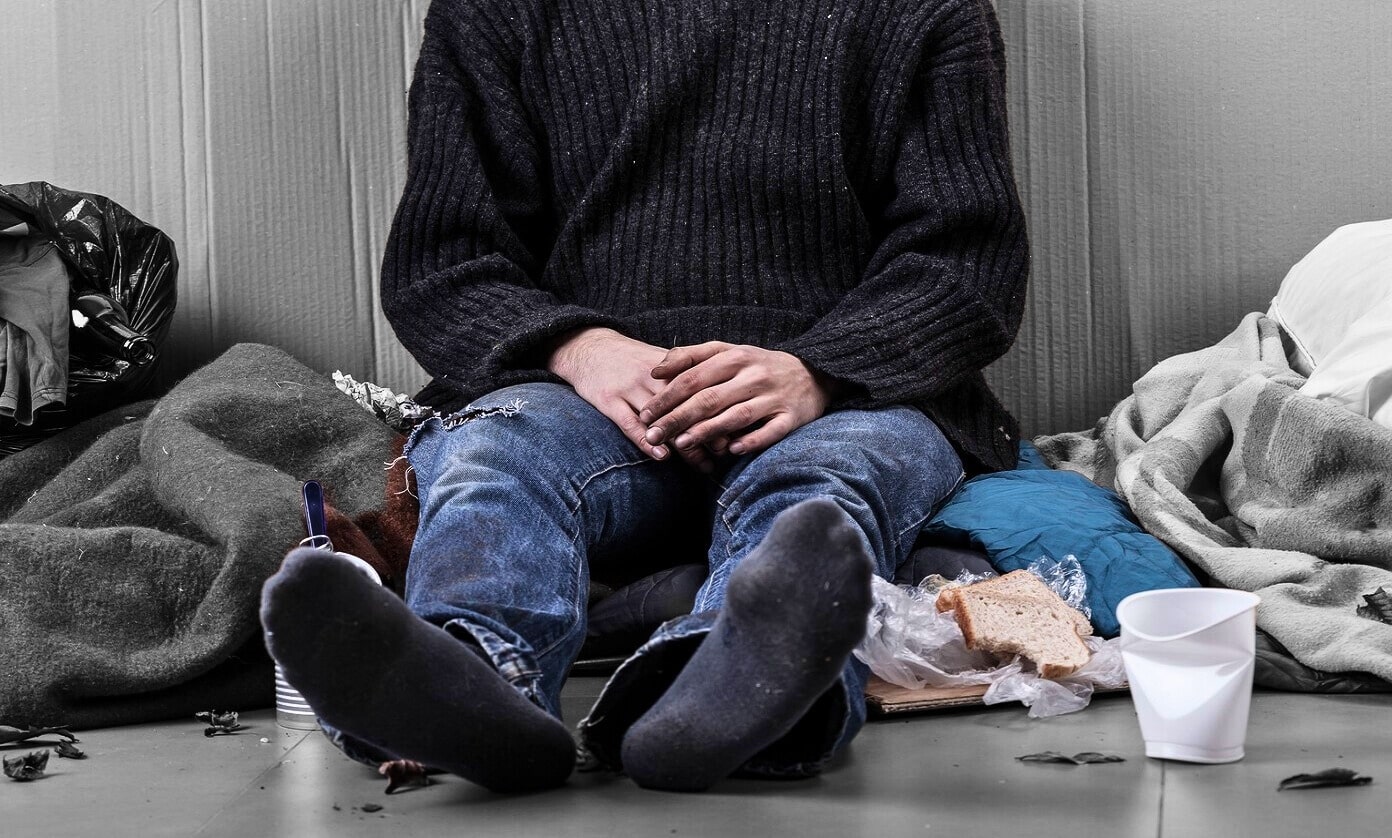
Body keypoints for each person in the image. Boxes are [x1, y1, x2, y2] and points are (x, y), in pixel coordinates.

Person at [261, 0, 1029, 794]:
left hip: (840, 394)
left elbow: (968, 263)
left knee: (822, 493)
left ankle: (711, 693)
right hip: (581, 395)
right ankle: (470, 680)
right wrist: (580, 348)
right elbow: (444, 263)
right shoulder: (495, 13)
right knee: (494, 454)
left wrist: (819, 369)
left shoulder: (927, 13)